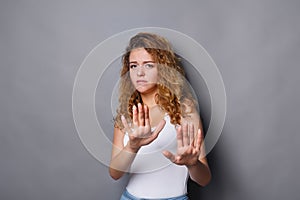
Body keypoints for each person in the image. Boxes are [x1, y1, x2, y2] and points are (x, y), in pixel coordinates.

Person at [109, 32, 211, 200]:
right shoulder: (127, 113)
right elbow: (115, 173)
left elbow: (204, 179)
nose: (139, 72)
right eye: (133, 66)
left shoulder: (185, 110)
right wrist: (132, 146)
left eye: (148, 65)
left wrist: (193, 164)